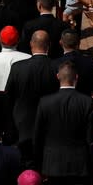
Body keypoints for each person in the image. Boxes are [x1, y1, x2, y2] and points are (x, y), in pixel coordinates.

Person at [34, 61, 93, 185]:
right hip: (80, 163)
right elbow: (92, 140)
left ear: (57, 77)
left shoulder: (45, 102)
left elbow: (38, 137)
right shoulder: (86, 102)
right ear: (76, 78)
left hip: (53, 162)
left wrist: (39, 164)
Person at [5, 30, 58, 161]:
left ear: (31, 44)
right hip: (50, 123)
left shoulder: (18, 67)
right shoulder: (57, 67)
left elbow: (9, 96)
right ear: (49, 45)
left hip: (22, 124)